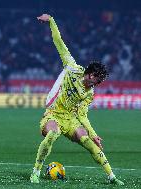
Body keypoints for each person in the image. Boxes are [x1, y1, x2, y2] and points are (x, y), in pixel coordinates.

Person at [30, 13, 124, 185]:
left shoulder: (89, 93)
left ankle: (112, 177)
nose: (97, 83)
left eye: (100, 81)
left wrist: (93, 134)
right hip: (53, 115)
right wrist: (51, 20)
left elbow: (82, 115)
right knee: (52, 134)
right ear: (90, 74)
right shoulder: (72, 68)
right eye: (97, 79)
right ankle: (35, 171)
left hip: (71, 120)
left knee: (89, 142)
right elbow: (59, 42)